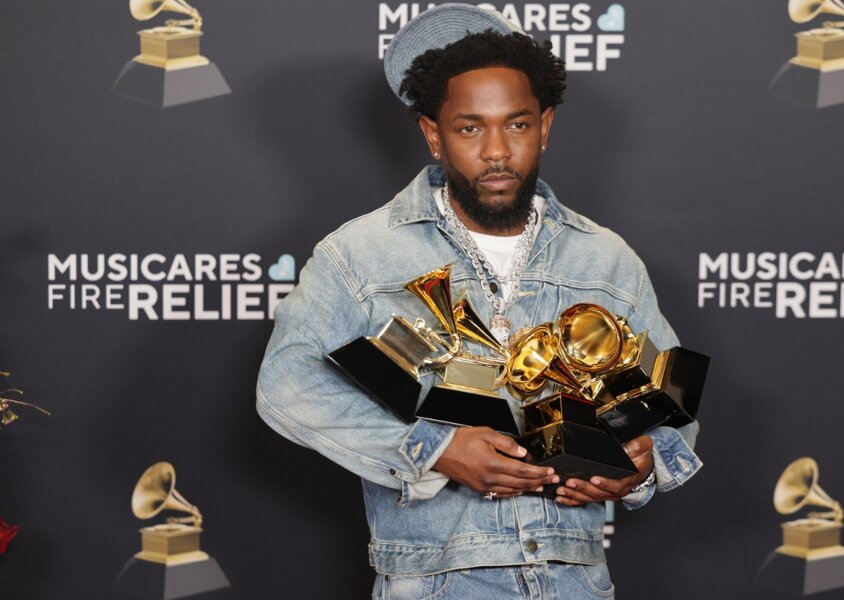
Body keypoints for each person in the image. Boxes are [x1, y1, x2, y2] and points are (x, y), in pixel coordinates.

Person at [257, 4, 701, 598]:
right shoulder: (359, 254)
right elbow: (287, 385)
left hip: (575, 579)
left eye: (516, 125)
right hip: (434, 580)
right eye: (470, 128)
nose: (496, 151)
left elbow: (668, 408)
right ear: (433, 135)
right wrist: (435, 448)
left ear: (544, 127)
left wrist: (639, 467)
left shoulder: (606, 259)